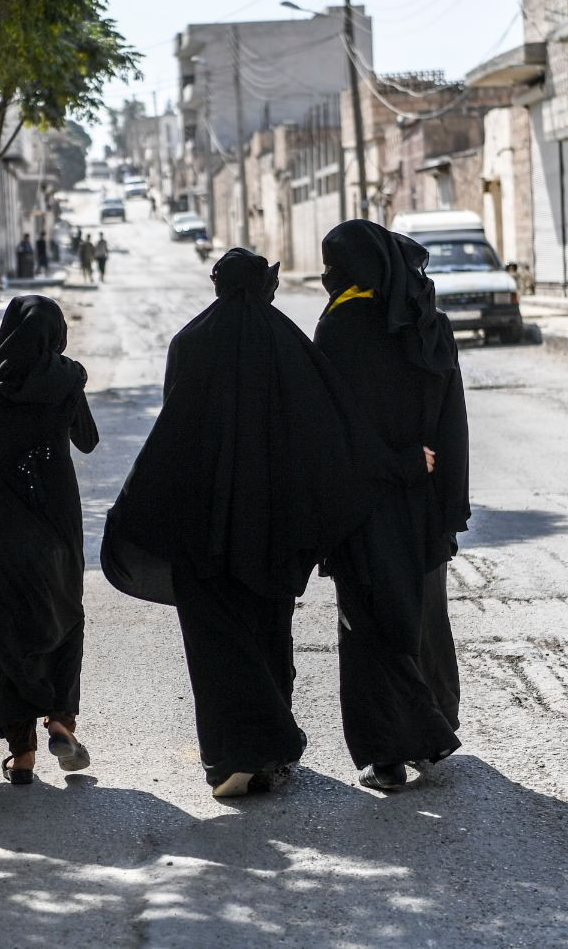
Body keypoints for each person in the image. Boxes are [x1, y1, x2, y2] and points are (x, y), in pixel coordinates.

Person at [102, 249, 386, 798]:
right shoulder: (290, 345)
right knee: (269, 634)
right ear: (263, 288)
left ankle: (230, 756)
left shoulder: (190, 341)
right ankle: (271, 754)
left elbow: (177, 433)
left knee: (214, 646)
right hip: (274, 527)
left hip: (202, 528)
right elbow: (321, 435)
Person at [314, 219, 470, 792]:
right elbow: (453, 423)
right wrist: (450, 499)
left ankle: (387, 757)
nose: (328, 277)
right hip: (424, 504)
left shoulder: (337, 331)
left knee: (367, 626)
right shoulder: (429, 327)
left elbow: (334, 433)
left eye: (333, 266)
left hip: (362, 505)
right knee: (424, 615)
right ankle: (433, 733)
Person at [0, 296, 100, 785]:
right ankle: (61, 720)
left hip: (0, 530)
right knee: (65, 620)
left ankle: (22, 756)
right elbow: (88, 440)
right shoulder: (65, 379)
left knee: (7, 637)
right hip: (58, 525)